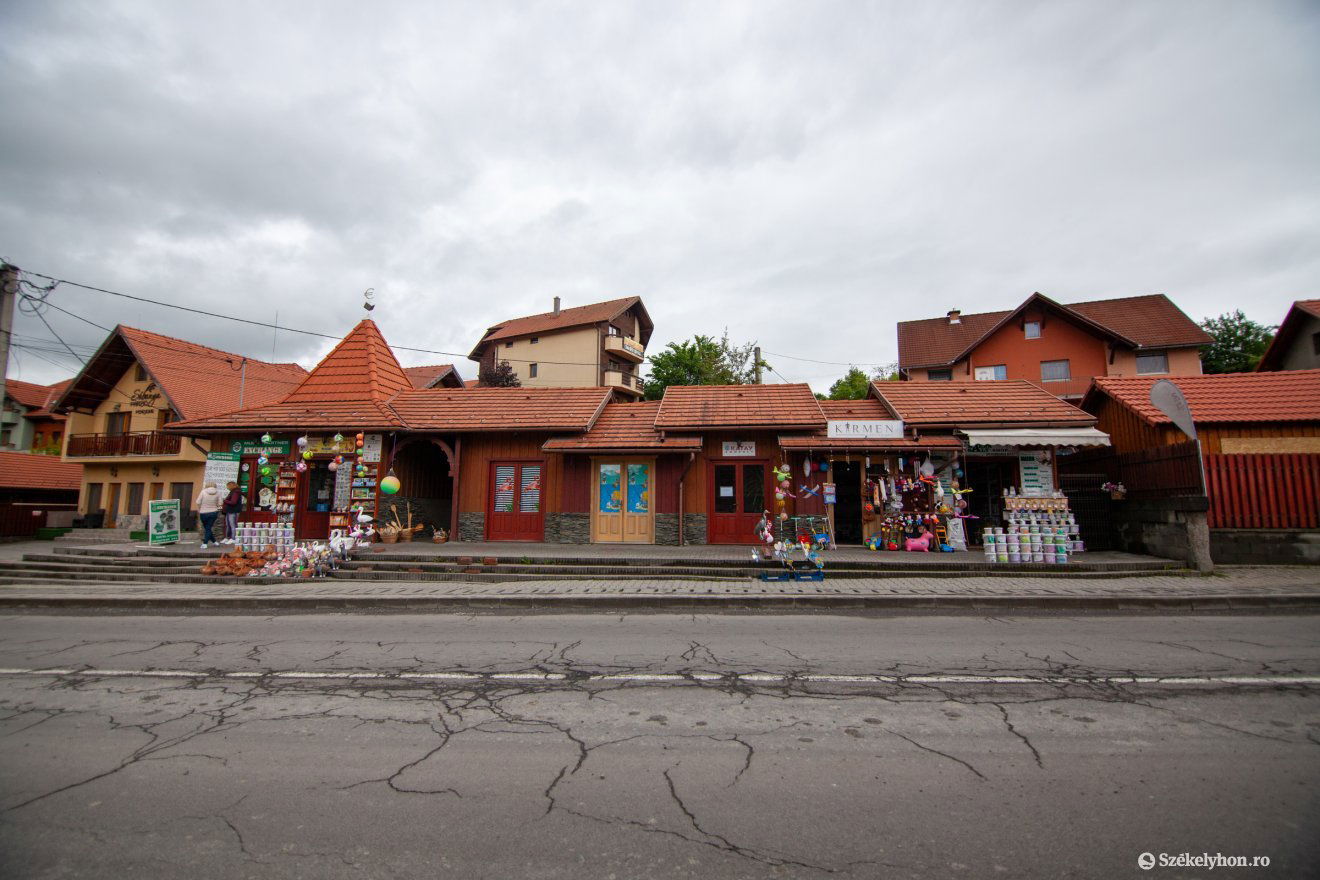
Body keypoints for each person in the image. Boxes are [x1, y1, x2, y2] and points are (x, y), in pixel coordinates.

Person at [195, 482, 222, 549]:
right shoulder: (218, 492)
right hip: (213, 512)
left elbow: (198, 502)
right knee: (208, 528)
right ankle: (214, 541)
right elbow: (220, 503)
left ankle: (205, 543)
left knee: (207, 528)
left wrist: (200, 508)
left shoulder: (203, 492)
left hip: (203, 512)